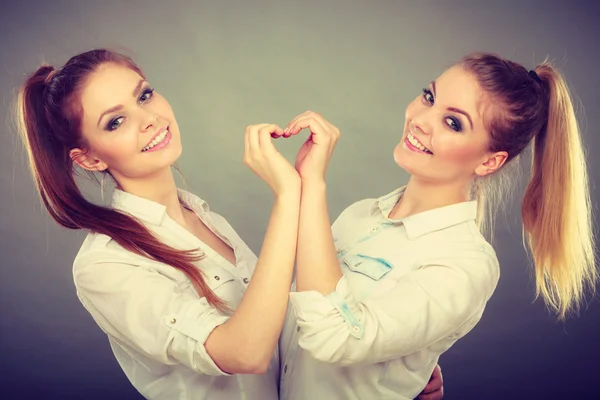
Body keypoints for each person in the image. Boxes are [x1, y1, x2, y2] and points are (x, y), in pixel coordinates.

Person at [17, 49, 444, 399]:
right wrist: (289, 193)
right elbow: (245, 353)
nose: (148, 118)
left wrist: (390, 361)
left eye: (144, 96)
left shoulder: (203, 217)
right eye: (115, 121)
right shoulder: (104, 267)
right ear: (90, 158)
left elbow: (280, 326)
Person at [277, 53, 597, 399]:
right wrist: (409, 361)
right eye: (429, 97)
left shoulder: (467, 264)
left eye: (453, 123)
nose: (421, 120)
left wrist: (310, 186)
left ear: (490, 161)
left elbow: (334, 336)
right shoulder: (360, 215)